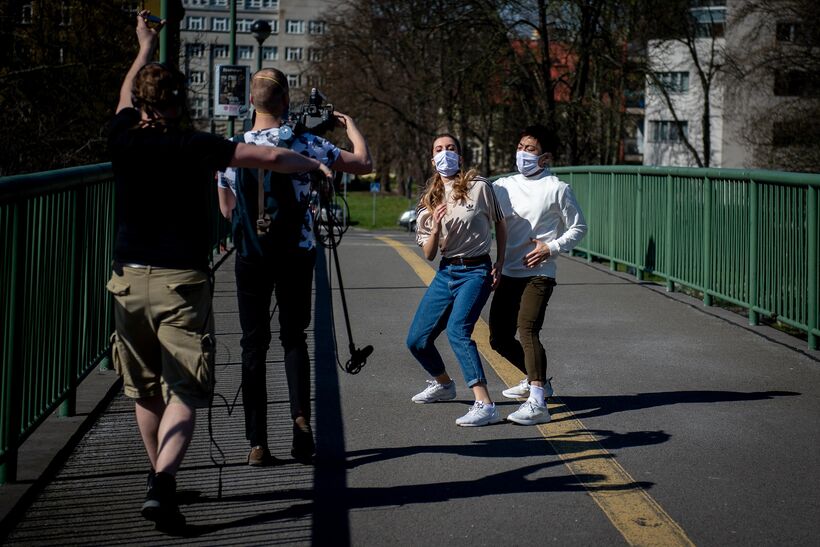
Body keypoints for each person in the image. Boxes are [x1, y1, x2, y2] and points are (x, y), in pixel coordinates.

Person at [107, 12, 330, 530]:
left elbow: (123, 98)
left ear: (140, 103)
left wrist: (143, 46)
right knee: (185, 386)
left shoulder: (121, 137)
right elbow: (269, 156)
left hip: (125, 277)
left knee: (143, 388)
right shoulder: (197, 144)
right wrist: (313, 165)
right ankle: (165, 483)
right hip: (179, 281)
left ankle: (156, 475)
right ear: (179, 102)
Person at [217, 68, 372, 466]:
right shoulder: (310, 146)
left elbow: (226, 209)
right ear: (286, 102)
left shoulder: (231, 149)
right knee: (294, 339)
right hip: (297, 252)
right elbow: (363, 163)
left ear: (252, 102)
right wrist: (351, 126)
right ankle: (301, 422)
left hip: (252, 255)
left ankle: (257, 443)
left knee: (253, 345)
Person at [489, 124, 587, 425]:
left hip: (539, 272)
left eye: (530, 149)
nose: (522, 153)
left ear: (545, 157)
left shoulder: (557, 188)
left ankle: (538, 401)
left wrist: (551, 247)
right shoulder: (502, 185)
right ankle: (537, 379)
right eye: (520, 146)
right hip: (508, 271)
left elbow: (579, 227)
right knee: (499, 338)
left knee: (527, 329)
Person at [406, 134, 507, 427]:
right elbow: (428, 253)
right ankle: (444, 385)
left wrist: (500, 261)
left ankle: (485, 404)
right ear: (432, 159)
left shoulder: (480, 186)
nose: (445, 153)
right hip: (447, 271)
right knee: (417, 340)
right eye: (439, 149)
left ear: (460, 158)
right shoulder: (428, 200)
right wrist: (435, 227)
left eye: (450, 148)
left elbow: (500, 223)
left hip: (477, 271)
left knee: (457, 331)